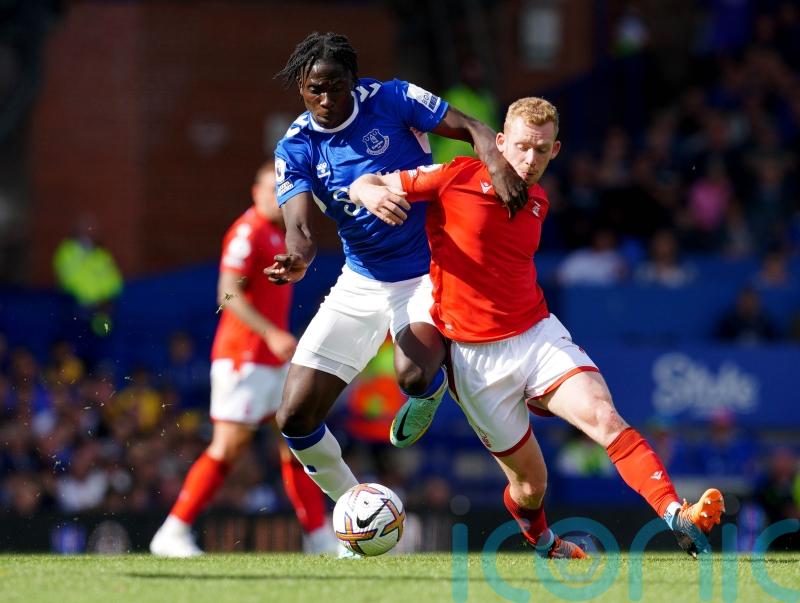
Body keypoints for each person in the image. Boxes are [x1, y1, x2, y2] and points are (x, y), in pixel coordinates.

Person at [349, 96, 724, 558]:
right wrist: (366, 191)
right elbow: (368, 182)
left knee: (605, 418)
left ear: (556, 150)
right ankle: (544, 542)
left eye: (542, 150)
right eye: (523, 147)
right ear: (500, 142)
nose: (531, 160)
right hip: (477, 360)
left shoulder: (540, 200)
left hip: (536, 336)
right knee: (530, 487)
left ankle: (676, 515)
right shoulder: (455, 177)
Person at [265, 32, 527, 506]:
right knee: (294, 418)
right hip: (361, 279)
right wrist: (295, 261)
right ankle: (356, 509)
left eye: (336, 86)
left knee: (411, 377)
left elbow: (472, 127)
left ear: (353, 79)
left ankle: (428, 389)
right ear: (301, 88)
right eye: (314, 90)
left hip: (428, 271)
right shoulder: (296, 147)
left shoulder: (393, 98)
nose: (326, 99)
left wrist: (498, 166)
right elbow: (300, 232)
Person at [150, 161, 334, 557]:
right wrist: (268, 331)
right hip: (243, 360)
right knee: (228, 448)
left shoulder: (278, 236)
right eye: (269, 189)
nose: (275, 197)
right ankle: (173, 530)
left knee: (298, 444)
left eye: (281, 190)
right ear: (254, 192)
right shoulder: (247, 232)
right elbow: (226, 294)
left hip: (270, 361)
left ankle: (319, 539)